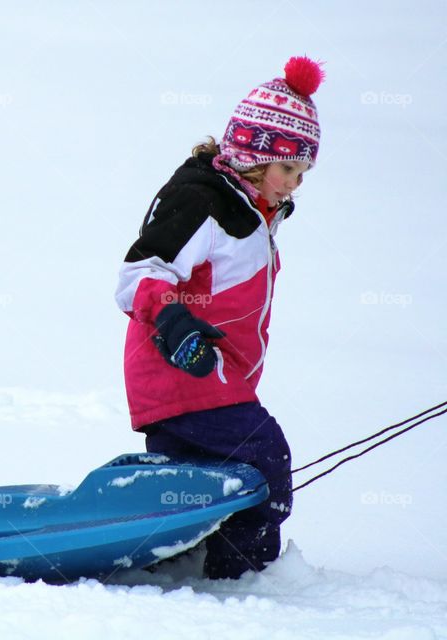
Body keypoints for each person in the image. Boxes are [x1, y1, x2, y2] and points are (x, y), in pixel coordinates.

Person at [114, 56, 325, 579]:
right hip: (186, 368)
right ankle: (244, 575)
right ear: (255, 155)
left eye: (303, 173)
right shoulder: (203, 202)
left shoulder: (252, 209)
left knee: (196, 482)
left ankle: (177, 561)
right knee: (264, 458)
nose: (295, 184)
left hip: (212, 376)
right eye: (289, 169)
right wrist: (176, 323)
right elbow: (139, 275)